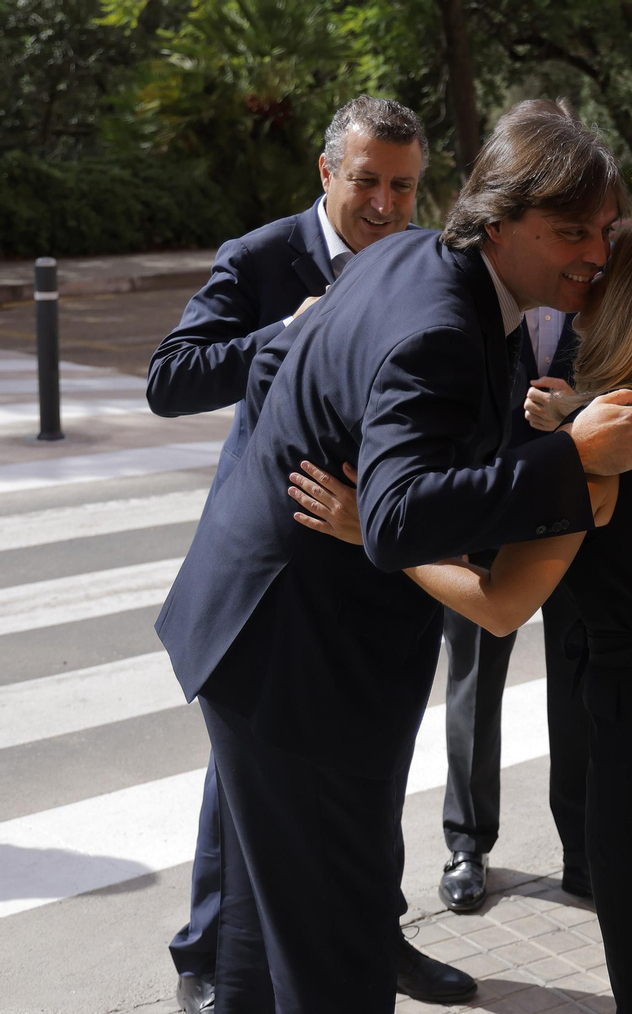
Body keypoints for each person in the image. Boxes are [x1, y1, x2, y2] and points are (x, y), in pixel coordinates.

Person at [153, 112, 632, 1012]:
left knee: (261, 936)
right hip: (299, 664)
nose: (595, 254)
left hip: (269, 636)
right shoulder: (439, 323)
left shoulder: (416, 257)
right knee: (337, 953)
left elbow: (309, 386)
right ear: (499, 221)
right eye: (571, 233)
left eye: (604, 230)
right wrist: (574, 457)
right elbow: (395, 519)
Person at [298, 221, 632, 1013]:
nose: (583, 283)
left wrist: (379, 537)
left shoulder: (604, 464)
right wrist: (571, 416)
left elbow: (499, 606)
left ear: (626, 311)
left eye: (601, 280)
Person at [143, 95, 472, 1009]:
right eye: (367, 182)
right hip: (272, 567)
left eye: (404, 187)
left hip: (370, 565)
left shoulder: (424, 260)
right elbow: (169, 378)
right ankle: (208, 959)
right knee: (246, 791)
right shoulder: (261, 257)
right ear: (326, 173)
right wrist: (283, 333)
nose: (386, 205)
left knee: (366, 784)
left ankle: (373, 933)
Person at [435, 96, 595, 915]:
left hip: (571, 500)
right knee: (473, 677)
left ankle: (582, 848)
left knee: (577, 676)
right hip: (482, 501)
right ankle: (468, 843)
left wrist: (579, 402)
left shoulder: (595, 258)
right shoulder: (462, 275)